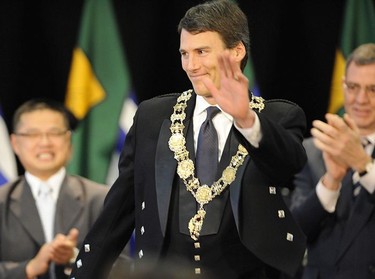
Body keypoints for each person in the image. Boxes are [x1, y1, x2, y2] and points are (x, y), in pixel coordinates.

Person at [70, 1, 307, 278]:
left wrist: (246, 120)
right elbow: (119, 210)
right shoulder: (153, 116)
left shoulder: (278, 117)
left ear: (237, 51)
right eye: (185, 53)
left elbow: (287, 165)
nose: (191, 66)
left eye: (202, 52)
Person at [290, 43, 375, 278]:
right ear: (343, 86)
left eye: (373, 90)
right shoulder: (314, 149)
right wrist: (331, 180)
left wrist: (364, 165)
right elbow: (294, 231)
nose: (361, 99)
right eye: (353, 87)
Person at [0, 99, 109, 279]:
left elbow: (124, 265)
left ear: (68, 140)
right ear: (14, 143)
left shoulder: (100, 198)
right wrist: (29, 268)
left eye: (54, 133)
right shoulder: (2, 201)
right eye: (32, 134)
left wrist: (75, 256)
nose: (45, 142)